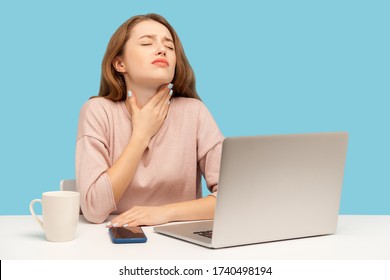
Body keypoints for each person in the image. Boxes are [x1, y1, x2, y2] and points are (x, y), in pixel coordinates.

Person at [76, 13, 224, 228]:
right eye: (146, 43)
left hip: (180, 242)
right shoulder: (98, 111)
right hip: (112, 239)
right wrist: (141, 135)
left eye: (170, 47)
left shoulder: (195, 112)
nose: (162, 49)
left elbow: (232, 198)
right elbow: (93, 209)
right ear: (119, 63)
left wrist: (165, 213)